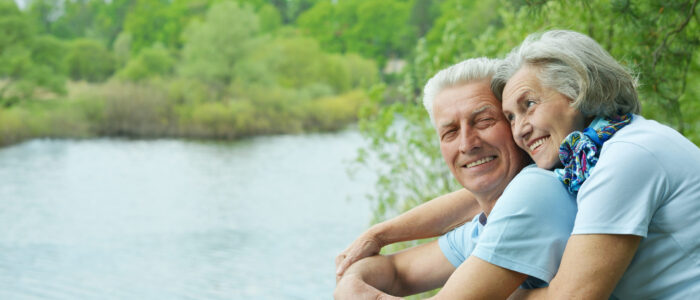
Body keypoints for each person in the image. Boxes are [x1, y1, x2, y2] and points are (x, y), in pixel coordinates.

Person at [334, 58, 577, 299]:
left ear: (514, 123)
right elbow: (397, 273)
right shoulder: (484, 226)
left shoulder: (535, 191)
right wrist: (352, 279)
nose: (467, 144)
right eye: (450, 132)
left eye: (484, 121)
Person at [491, 29, 700, 299]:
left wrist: (484, 292)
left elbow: (574, 296)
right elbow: (483, 199)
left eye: (529, 105)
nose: (519, 130)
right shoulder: (589, 157)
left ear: (578, 90)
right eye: (510, 117)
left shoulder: (626, 156)